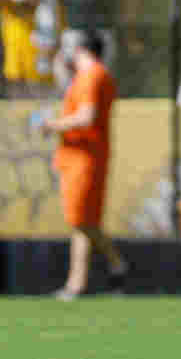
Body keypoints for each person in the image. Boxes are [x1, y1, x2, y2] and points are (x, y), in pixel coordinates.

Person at [41, 28, 129, 299]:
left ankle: (81, 281)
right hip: (78, 157)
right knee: (82, 220)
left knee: (82, 220)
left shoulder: (93, 75)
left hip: (85, 157)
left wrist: (52, 125)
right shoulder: (86, 76)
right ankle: (110, 268)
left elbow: (87, 116)